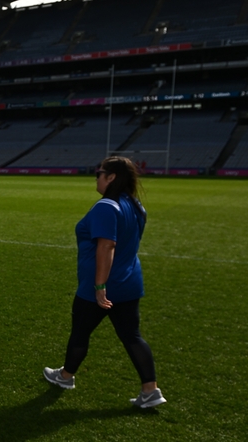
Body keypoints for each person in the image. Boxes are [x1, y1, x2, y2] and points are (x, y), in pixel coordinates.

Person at [43, 156, 166, 409]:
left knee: (80, 332)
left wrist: (100, 287)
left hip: (101, 287)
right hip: (130, 282)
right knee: (132, 336)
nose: (96, 178)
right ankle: (150, 390)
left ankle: (65, 376)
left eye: (99, 173)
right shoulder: (135, 205)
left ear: (111, 177)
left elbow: (107, 245)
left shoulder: (107, 207)